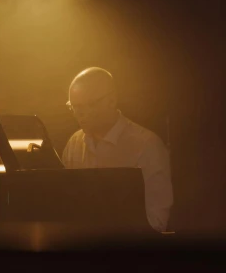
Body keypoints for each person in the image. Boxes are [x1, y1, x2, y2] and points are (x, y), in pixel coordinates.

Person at [62, 67, 173, 232]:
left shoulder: (146, 146)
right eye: (75, 108)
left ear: (112, 100)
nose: (81, 115)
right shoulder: (74, 144)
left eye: (88, 106)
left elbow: (156, 221)